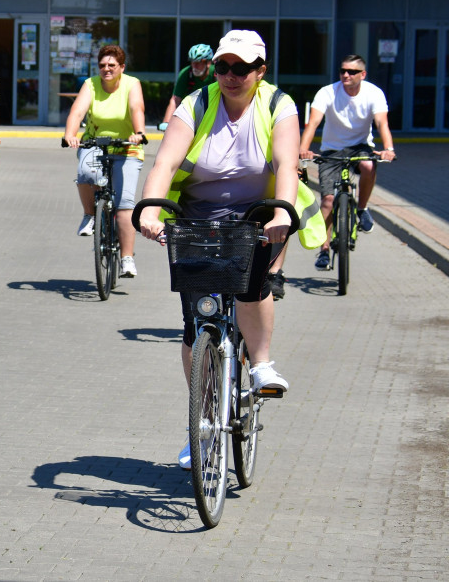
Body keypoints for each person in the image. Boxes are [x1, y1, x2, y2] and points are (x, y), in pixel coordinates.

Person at [137, 30, 324, 470]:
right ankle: (200, 425)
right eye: (223, 67)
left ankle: (260, 366)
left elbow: (285, 164)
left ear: (260, 71)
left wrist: (281, 216)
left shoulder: (278, 104)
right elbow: (164, 161)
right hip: (198, 213)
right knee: (196, 321)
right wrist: (148, 210)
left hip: (258, 212)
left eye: (241, 68)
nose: (230, 76)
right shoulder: (197, 103)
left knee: (251, 287)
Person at [299, 54, 396, 271]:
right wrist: (303, 149)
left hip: (360, 145)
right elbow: (313, 123)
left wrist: (388, 149)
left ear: (363, 74)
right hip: (332, 149)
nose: (346, 75)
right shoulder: (327, 92)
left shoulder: (373, 93)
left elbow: (382, 123)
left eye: (351, 72)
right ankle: (323, 249)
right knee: (328, 201)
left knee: (369, 165)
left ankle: (361, 208)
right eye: (343, 70)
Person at [63, 44, 146, 278]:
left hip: (127, 147)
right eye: (102, 65)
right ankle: (91, 215)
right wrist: (70, 134)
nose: (106, 69)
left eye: (111, 65)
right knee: (85, 173)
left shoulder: (132, 84)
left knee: (125, 204)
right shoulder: (90, 84)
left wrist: (138, 133)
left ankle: (127, 258)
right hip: (95, 143)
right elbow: (77, 112)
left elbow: (136, 108)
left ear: (122, 67)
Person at [158, 44, 215, 130]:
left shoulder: (217, 74)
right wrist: (166, 122)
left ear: (208, 63)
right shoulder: (186, 74)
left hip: (213, 114)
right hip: (191, 116)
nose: (194, 66)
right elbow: (175, 100)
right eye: (192, 62)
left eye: (199, 62)